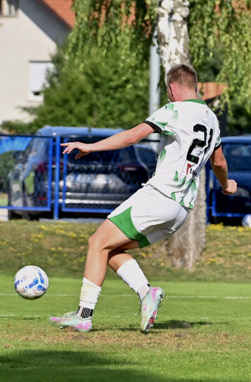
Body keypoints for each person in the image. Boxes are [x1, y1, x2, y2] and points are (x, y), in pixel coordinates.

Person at [50, 64, 237, 334]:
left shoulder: (174, 110)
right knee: (110, 250)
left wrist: (90, 146)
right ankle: (146, 293)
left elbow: (132, 137)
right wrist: (226, 185)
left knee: (96, 243)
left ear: (172, 88)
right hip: (181, 210)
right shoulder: (212, 119)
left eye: (168, 91)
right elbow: (219, 163)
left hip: (159, 196)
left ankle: (83, 316)